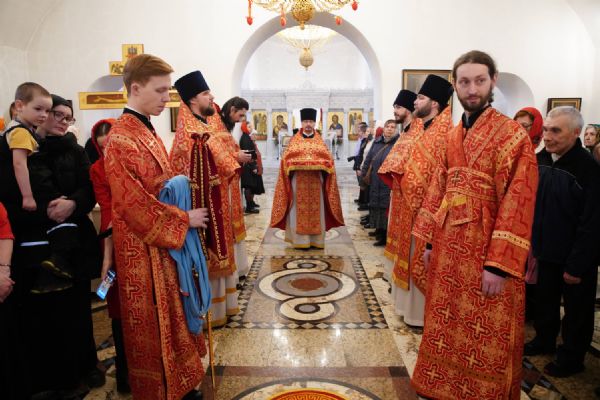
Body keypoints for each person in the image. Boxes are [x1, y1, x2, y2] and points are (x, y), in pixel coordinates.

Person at [411, 50, 538, 399]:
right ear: (454, 84)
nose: (472, 89)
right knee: (448, 322)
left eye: (479, 81)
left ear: (492, 80)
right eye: (464, 81)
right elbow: (440, 189)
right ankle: (446, 387)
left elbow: (518, 202)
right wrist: (430, 243)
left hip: (486, 253)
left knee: (486, 328)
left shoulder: (513, 136)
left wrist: (499, 265)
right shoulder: (452, 137)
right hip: (449, 250)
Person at [104, 54, 209, 400]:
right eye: (161, 90)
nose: (168, 98)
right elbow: (131, 203)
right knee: (155, 319)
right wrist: (183, 218)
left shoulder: (144, 128)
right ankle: (162, 390)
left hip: (162, 246)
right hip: (142, 249)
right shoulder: (121, 138)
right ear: (136, 88)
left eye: (168, 91)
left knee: (172, 313)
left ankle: (179, 384)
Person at [525, 106, 600, 378]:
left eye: (556, 131)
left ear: (576, 132)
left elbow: (592, 223)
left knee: (577, 312)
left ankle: (571, 357)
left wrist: (577, 264)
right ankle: (544, 340)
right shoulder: (541, 159)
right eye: (546, 129)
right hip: (546, 250)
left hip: (575, 256)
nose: (547, 136)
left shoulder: (588, 168)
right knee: (545, 301)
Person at [170, 71, 248, 327]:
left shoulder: (203, 126)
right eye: (206, 93)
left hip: (218, 201)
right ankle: (208, 312)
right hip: (203, 208)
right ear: (193, 99)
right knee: (209, 256)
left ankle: (222, 307)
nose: (212, 97)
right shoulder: (191, 133)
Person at [386, 75, 455, 328]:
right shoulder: (422, 128)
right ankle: (407, 309)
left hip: (429, 212)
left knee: (422, 259)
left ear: (434, 103)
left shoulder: (444, 133)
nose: (415, 102)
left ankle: (419, 315)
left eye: (421, 98)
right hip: (409, 207)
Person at [89, 117, 130, 393]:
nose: (107, 152)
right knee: (115, 303)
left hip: (136, 230)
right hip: (112, 236)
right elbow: (107, 207)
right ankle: (124, 372)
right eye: (102, 148)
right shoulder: (96, 169)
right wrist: (107, 256)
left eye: (111, 145)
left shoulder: (131, 163)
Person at [270, 108, 344, 249]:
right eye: (305, 121)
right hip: (297, 181)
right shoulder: (294, 141)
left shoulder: (320, 142)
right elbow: (286, 160)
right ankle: (300, 241)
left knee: (318, 209)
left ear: (314, 123)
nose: (308, 124)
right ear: (301, 123)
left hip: (317, 181)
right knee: (296, 210)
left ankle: (317, 240)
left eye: (311, 121)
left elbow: (328, 160)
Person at [378, 90, 419, 283]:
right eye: (394, 107)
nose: (395, 111)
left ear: (409, 109)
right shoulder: (406, 133)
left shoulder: (417, 133)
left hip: (408, 197)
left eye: (398, 107)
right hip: (397, 193)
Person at [360, 119, 398, 246]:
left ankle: (385, 235)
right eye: (388, 126)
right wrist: (363, 175)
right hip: (376, 179)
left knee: (385, 207)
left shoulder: (398, 144)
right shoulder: (376, 142)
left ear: (396, 130)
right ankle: (378, 229)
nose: (390, 129)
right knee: (375, 205)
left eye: (393, 127)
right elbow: (368, 159)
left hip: (388, 181)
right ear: (384, 128)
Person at [240, 119, 265, 213]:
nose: (251, 128)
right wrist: (253, 166)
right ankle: (249, 207)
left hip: (249, 166)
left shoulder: (247, 137)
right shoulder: (245, 138)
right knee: (248, 186)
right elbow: (248, 154)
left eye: (251, 126)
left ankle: (251, 203)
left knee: (252, 186)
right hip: (248, 167)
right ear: (244, 127)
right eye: (249, 127)